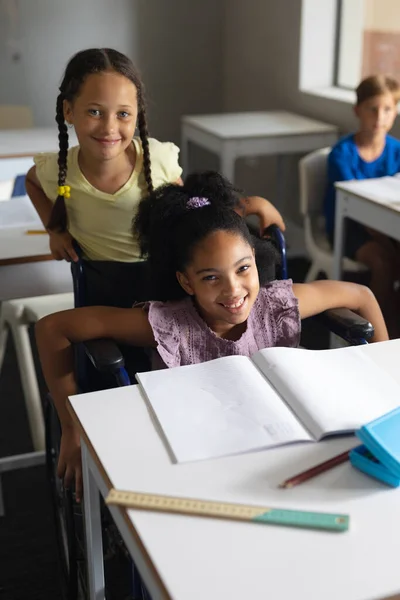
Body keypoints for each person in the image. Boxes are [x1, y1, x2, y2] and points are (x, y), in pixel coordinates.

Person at [36, 171, 388, 500]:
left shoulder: (275, 304)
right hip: (195, 459)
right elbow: (52, 328)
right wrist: (71, 426)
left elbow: (362, 297)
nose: (233, 290)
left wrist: (390, 383)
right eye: (210, 278)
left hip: (283, 452)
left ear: (254, 257)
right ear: (186, 282)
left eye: (243, 268)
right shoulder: (168, 324)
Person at [25, 47, 285, 267]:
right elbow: (32, 182)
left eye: (123, 114)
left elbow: (195, 215)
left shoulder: (157, 159)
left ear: (138, 114)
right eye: (94, 112)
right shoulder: (57, 169)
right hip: (102, 293)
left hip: (165, 293)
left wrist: (250, 204)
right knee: (51, 328)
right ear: (68, 111)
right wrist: (55, 232)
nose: (109, 128)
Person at [324, 74, 400, 337]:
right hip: (349, 228)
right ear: (358, 111)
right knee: (383, 261)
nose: (380, 117)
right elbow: (357, 210)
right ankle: (378, 334)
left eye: (388, 109)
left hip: (386, 228)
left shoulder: (397, 150)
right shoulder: (342, 154)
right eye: (373, 109)